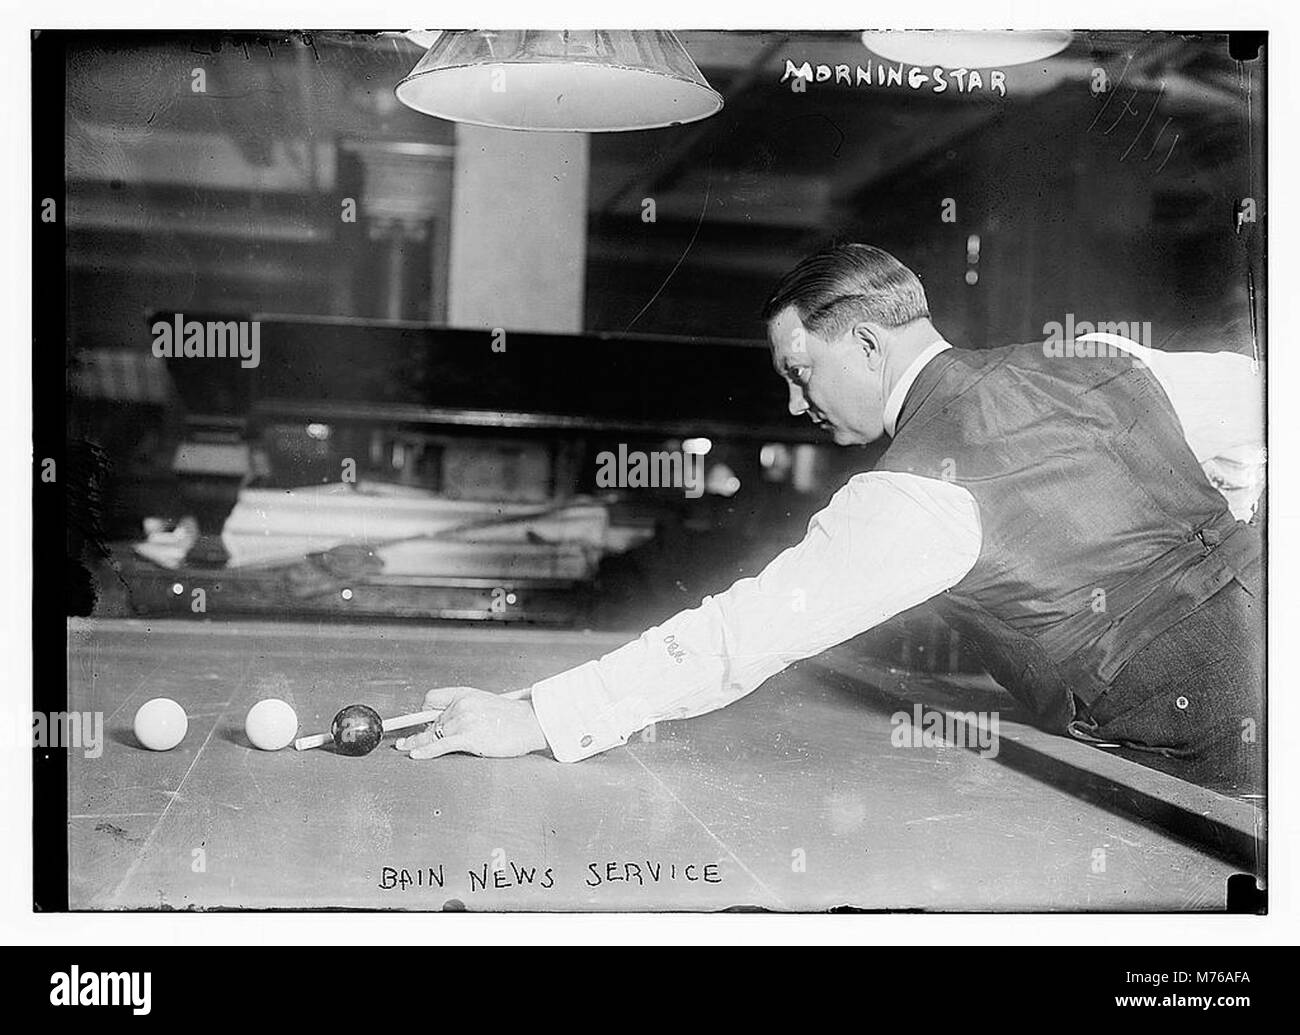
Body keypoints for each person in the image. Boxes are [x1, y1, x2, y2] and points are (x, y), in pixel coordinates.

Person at [397, 244, 1264, 790]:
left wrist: (538, 716)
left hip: (1202, 750)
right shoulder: (1100, 358)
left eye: (799, 370)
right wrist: (1233, 533)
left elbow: (746, 633)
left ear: (866, 344)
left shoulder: (917, 487)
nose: (793, 400)